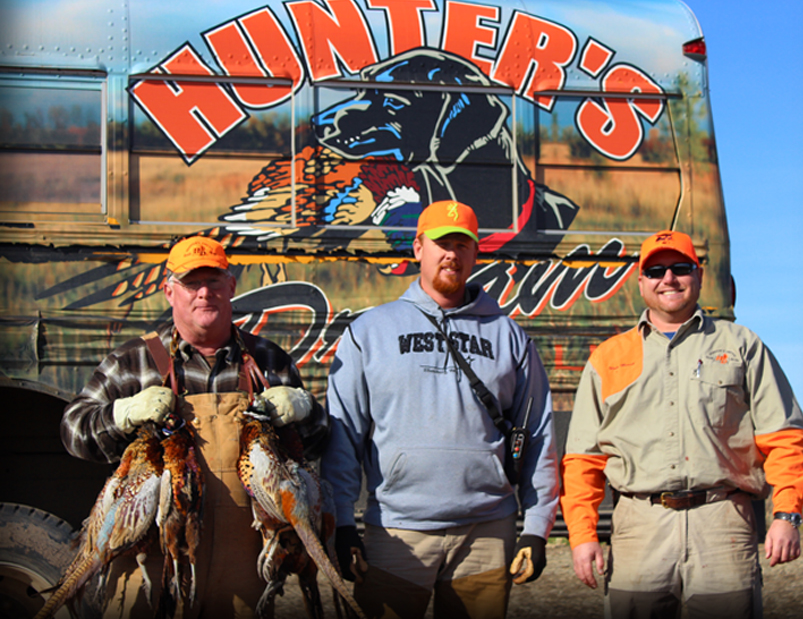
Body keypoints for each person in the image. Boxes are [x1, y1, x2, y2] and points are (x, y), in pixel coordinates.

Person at [60, 235, 328, 619]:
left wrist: (305, 409)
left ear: (231, 287)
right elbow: (72, 429)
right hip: (151, 571)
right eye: (191, 283)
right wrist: (121, 414)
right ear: (169, 291)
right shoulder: (134, 360)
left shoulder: (268, 361)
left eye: (214, 281)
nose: (204, 293)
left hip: (240, 578)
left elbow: (317, 444)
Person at [320, 200, 560, 619]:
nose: (452, 253)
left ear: (475, 253)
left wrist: (537, 528)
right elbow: (343, 437)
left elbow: (538, 434)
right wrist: (341, 523)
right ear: (418, 248)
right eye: (441, 243)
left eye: (463, 244)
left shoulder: (509, 336)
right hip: (396, 533)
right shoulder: (370, 331)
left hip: (486, 533)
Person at [560, 230, 803, 619]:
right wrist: (582, 535)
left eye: (680, 268)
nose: (668, 279)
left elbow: (785, 437)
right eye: (656, 270)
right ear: (640, 281)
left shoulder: (742, 345)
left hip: (724, 523)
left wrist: (787, 514)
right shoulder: (608, 358)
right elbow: (582, 461)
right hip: (637, 529)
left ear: (698, 275)